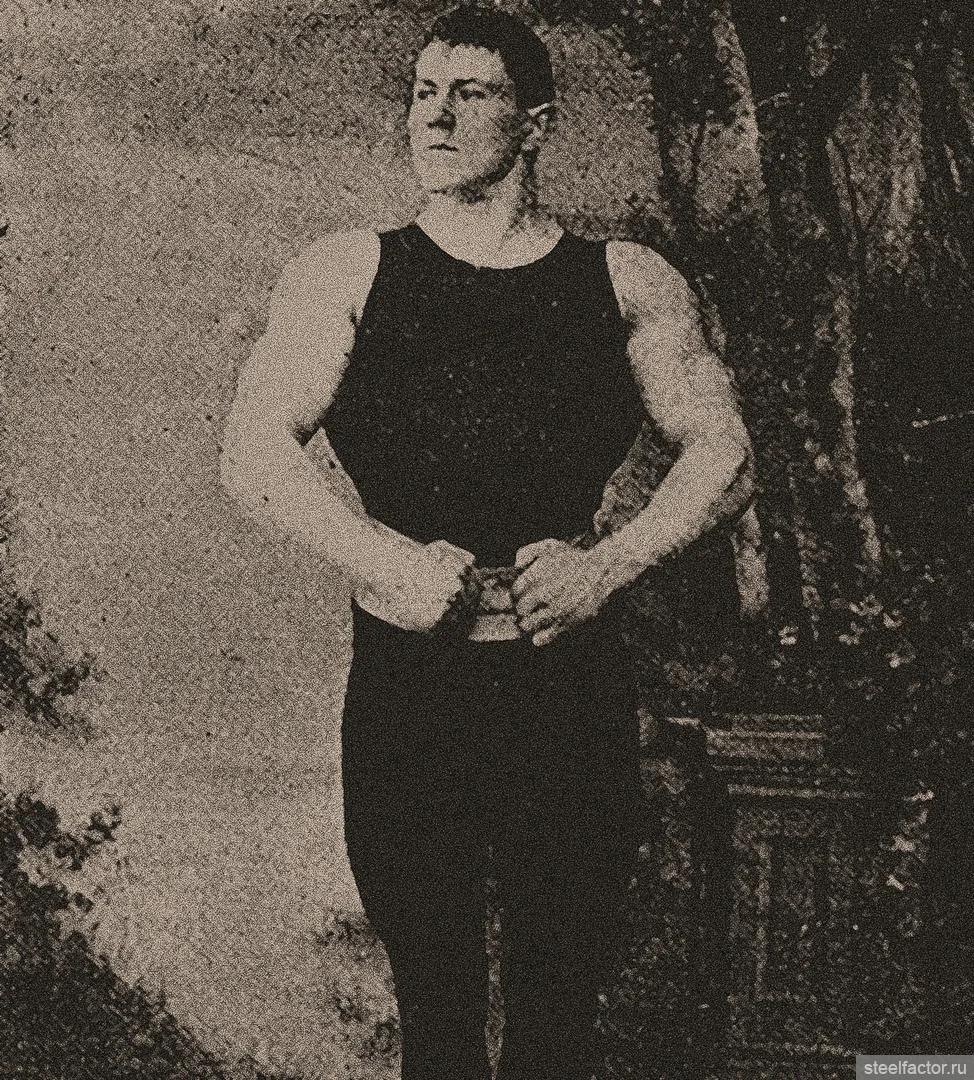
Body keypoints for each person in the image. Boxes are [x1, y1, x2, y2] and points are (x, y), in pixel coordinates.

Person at [220, 6, 754, 1079]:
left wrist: (608, 564)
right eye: (424, 92)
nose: (437, 115)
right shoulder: (346, 273)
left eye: (470, 93)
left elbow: (726, 454)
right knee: (439, 1014)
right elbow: (251, 449)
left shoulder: (627, 280)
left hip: (567, 686)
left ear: (535, 124)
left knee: (559, 1008)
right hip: (409, 691)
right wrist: (383, 559)